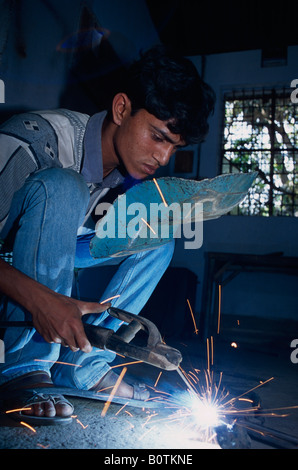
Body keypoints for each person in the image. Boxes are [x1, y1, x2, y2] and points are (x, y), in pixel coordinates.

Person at [0, 45, 215, 425]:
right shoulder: (32, 140)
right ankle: (24, 364)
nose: (163, 158)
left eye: (174, 147)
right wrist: (42, 300)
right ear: (121, 109)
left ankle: (84, 366)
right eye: (158, 136)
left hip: (42, 244)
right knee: (64, 187)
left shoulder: (124, 172)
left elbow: (71, 238)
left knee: (157, 236)